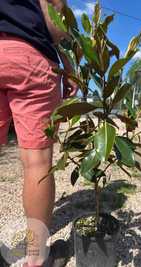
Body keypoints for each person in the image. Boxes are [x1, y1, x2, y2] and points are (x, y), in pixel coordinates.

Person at [0, 0, 78, 266]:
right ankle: (36, 258)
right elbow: (55, 20)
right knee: (38, 161)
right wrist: (68, 63)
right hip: (28, 53)